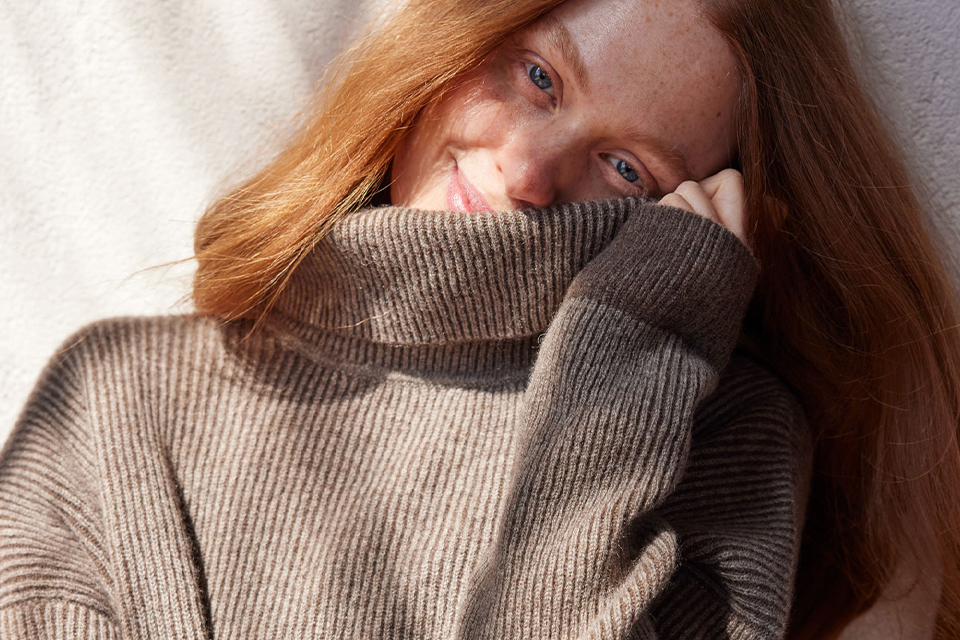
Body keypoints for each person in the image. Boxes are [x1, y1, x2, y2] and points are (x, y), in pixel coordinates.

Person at [0, 0, 956, 638]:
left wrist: (622, 381)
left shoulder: (719, 436)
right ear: (457, 44)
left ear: (696, 211)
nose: (529, 174)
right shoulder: (116, 401)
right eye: (538, 78)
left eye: (627, 169)